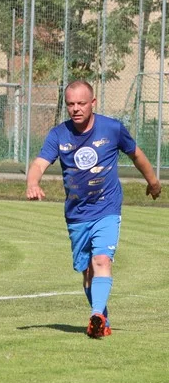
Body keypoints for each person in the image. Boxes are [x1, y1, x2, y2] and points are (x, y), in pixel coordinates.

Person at [26, 80, 161, 338]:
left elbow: (137, 156)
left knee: (102, 260)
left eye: (81, 103)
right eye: (71, 104)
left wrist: (153, 182)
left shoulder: (112, 128)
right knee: (87, 272)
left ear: (93, 103)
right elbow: (39, 163)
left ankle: (96, 314)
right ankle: (101, 320)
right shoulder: (58, 134)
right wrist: (33, 182)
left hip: (107, 207)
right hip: (77, 214)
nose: (76, 109)